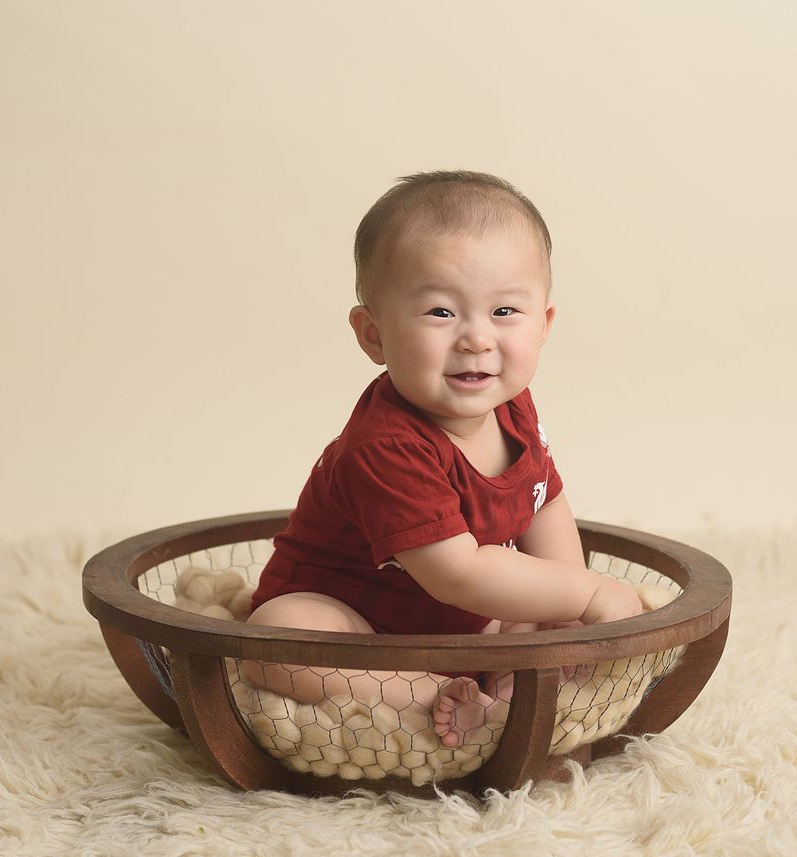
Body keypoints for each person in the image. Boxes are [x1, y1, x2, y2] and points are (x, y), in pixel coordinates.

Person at [240, 170, 642, 749]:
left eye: (505, 311)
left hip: (465, 618)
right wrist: (589, 594)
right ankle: (430, 696)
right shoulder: (387, 446)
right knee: (277, 644)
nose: (477, 339)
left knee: (535, 608)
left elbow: (543, 500)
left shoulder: (513, 405)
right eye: (440, 313)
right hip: (356, 623)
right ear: (374, 335)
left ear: (544, 324)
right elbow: (459, 573)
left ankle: (507, 677)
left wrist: (564, 609)